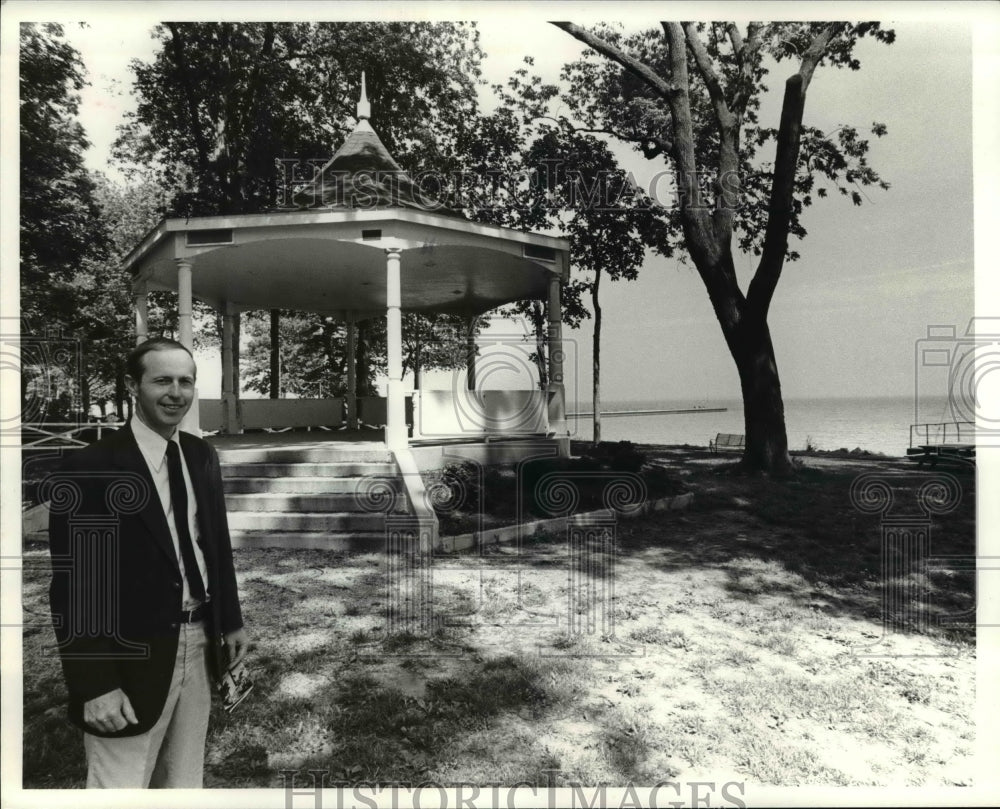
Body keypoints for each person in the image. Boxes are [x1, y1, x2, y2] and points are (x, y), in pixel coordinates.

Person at [47, 337, 249, 788]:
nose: (176, 392)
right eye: (162, 380)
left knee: (183, 783)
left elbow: (214, 545)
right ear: (133, 385)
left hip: (199, 646)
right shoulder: (90, 468)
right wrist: (95, 684)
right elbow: (76, 590)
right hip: (128, 657)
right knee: (121, 787)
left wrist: (230, 620)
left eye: (186, 381)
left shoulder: (201, 455)